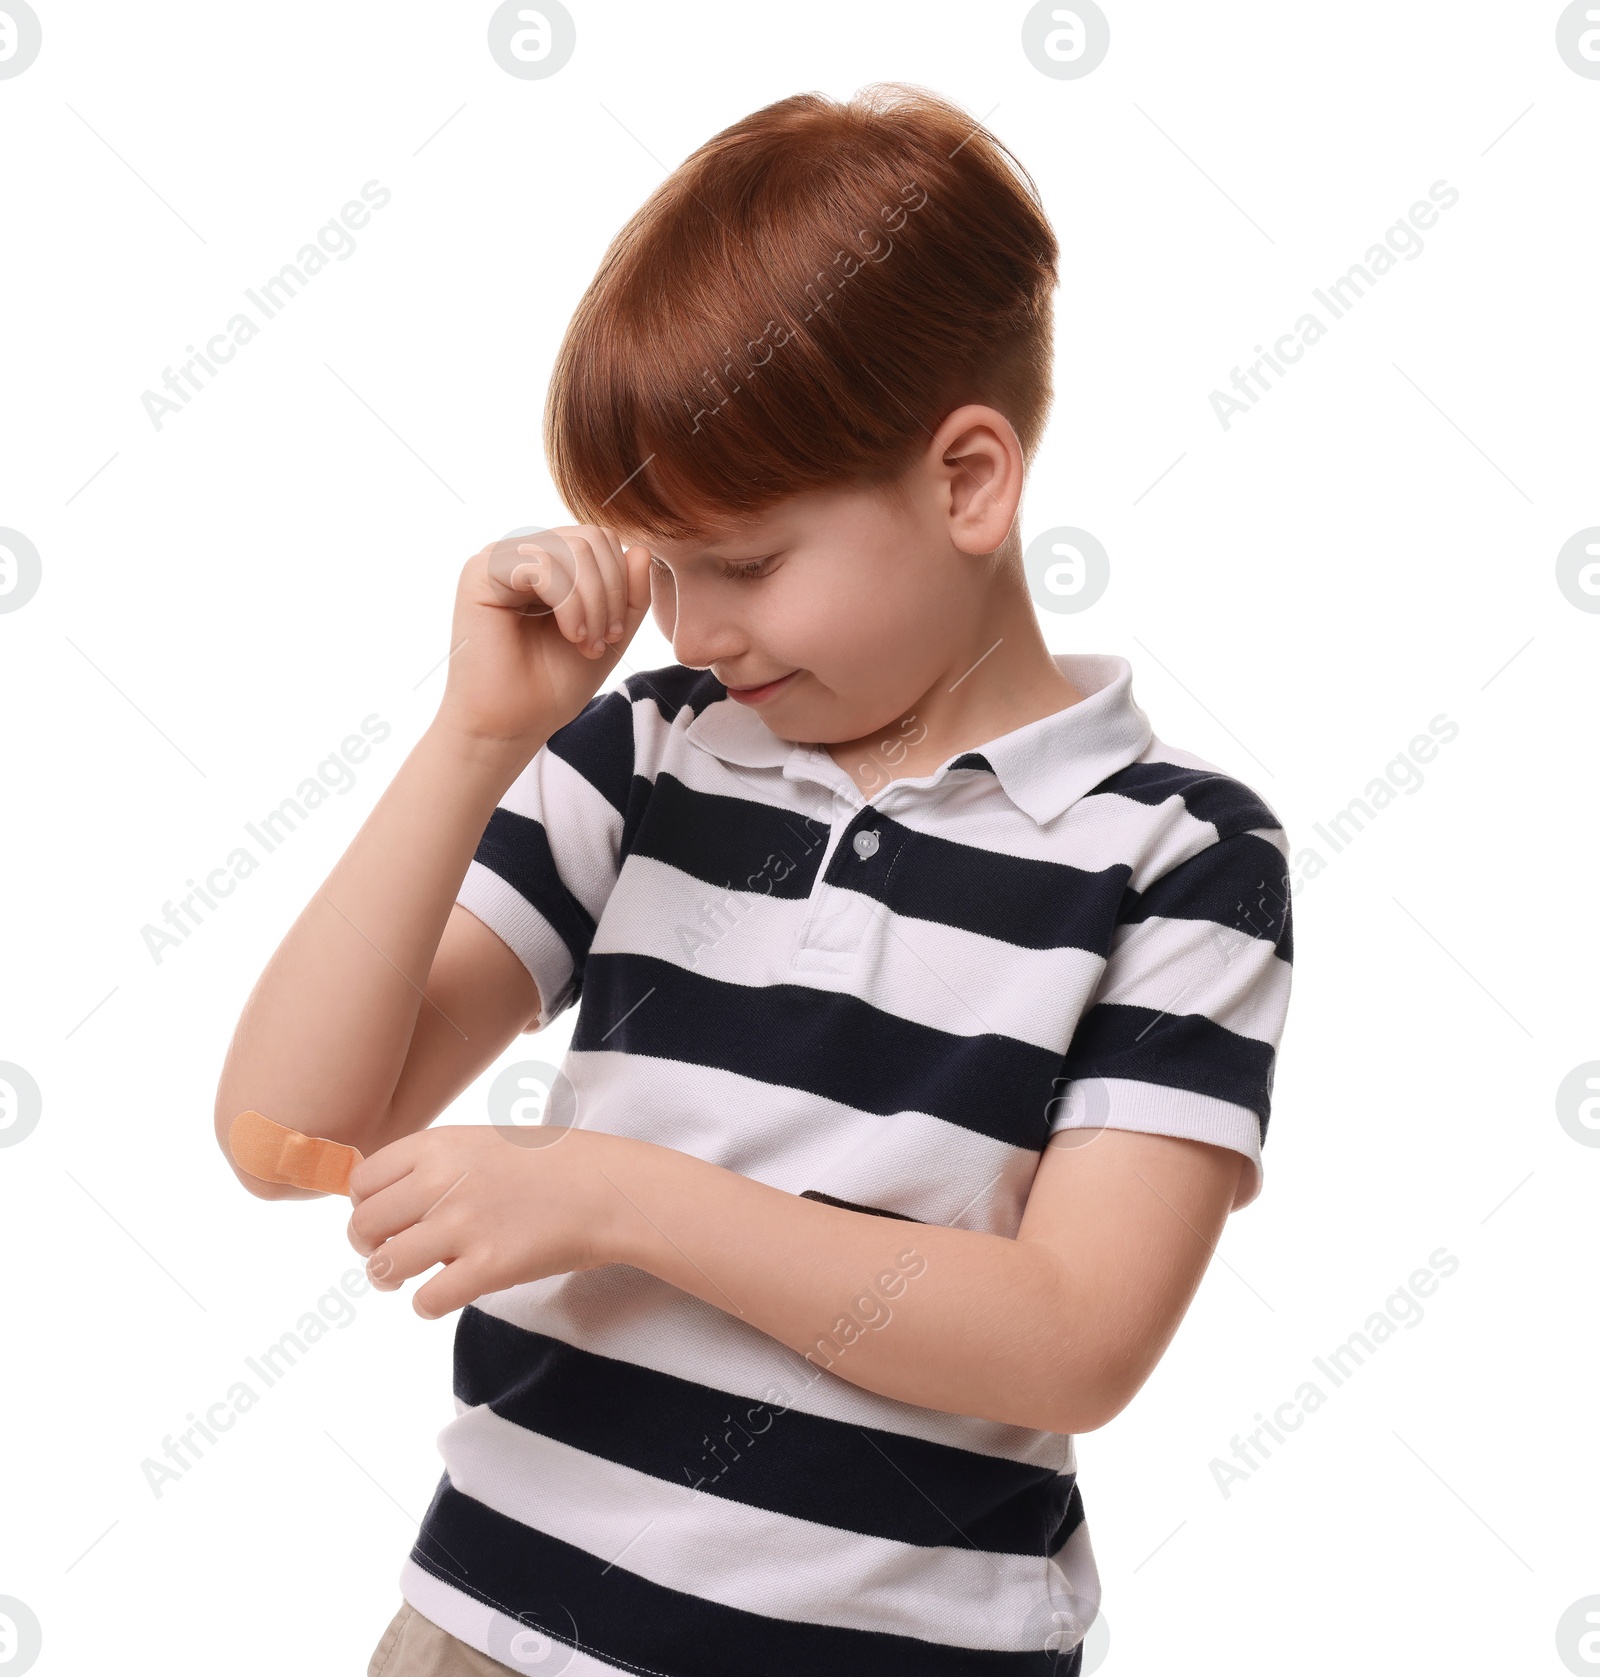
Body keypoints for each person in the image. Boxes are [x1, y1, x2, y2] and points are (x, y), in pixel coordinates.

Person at [216, 83, 1295, 1677]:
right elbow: (288, 1130)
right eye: (662, 566)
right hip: (490, 1634)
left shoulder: (1177, 858)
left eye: (744, 562)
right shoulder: (650, 757)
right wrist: (473, 736)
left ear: (970, 481)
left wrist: (613, 1194)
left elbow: (1073, 1337)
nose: (691, 630)